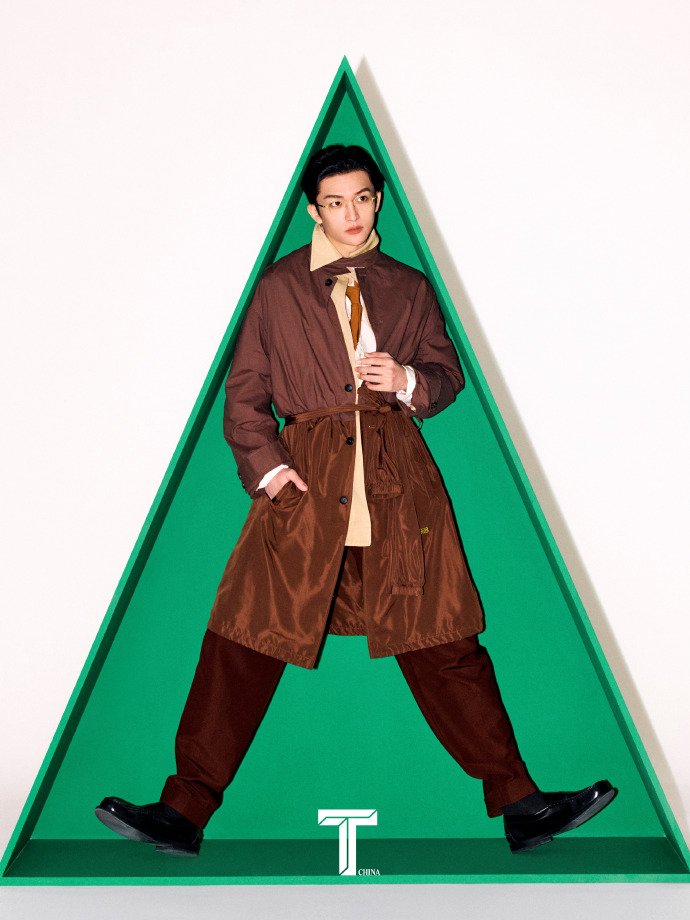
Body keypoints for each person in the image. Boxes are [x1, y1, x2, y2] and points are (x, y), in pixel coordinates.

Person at [95, 145, 616, 858]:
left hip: (397, 482)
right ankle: (182, 812)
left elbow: (445, 374)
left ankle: (522, 805)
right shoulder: (279, 288)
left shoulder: (409, 287)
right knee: (244, 637)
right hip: (307, 482)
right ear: (314, 210)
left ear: (378, 200)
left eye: (363, 198)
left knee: (442, 638)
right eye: (335, 202)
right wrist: (269, 471)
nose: (351, 213)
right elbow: (245, 394)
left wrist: (405, 381)